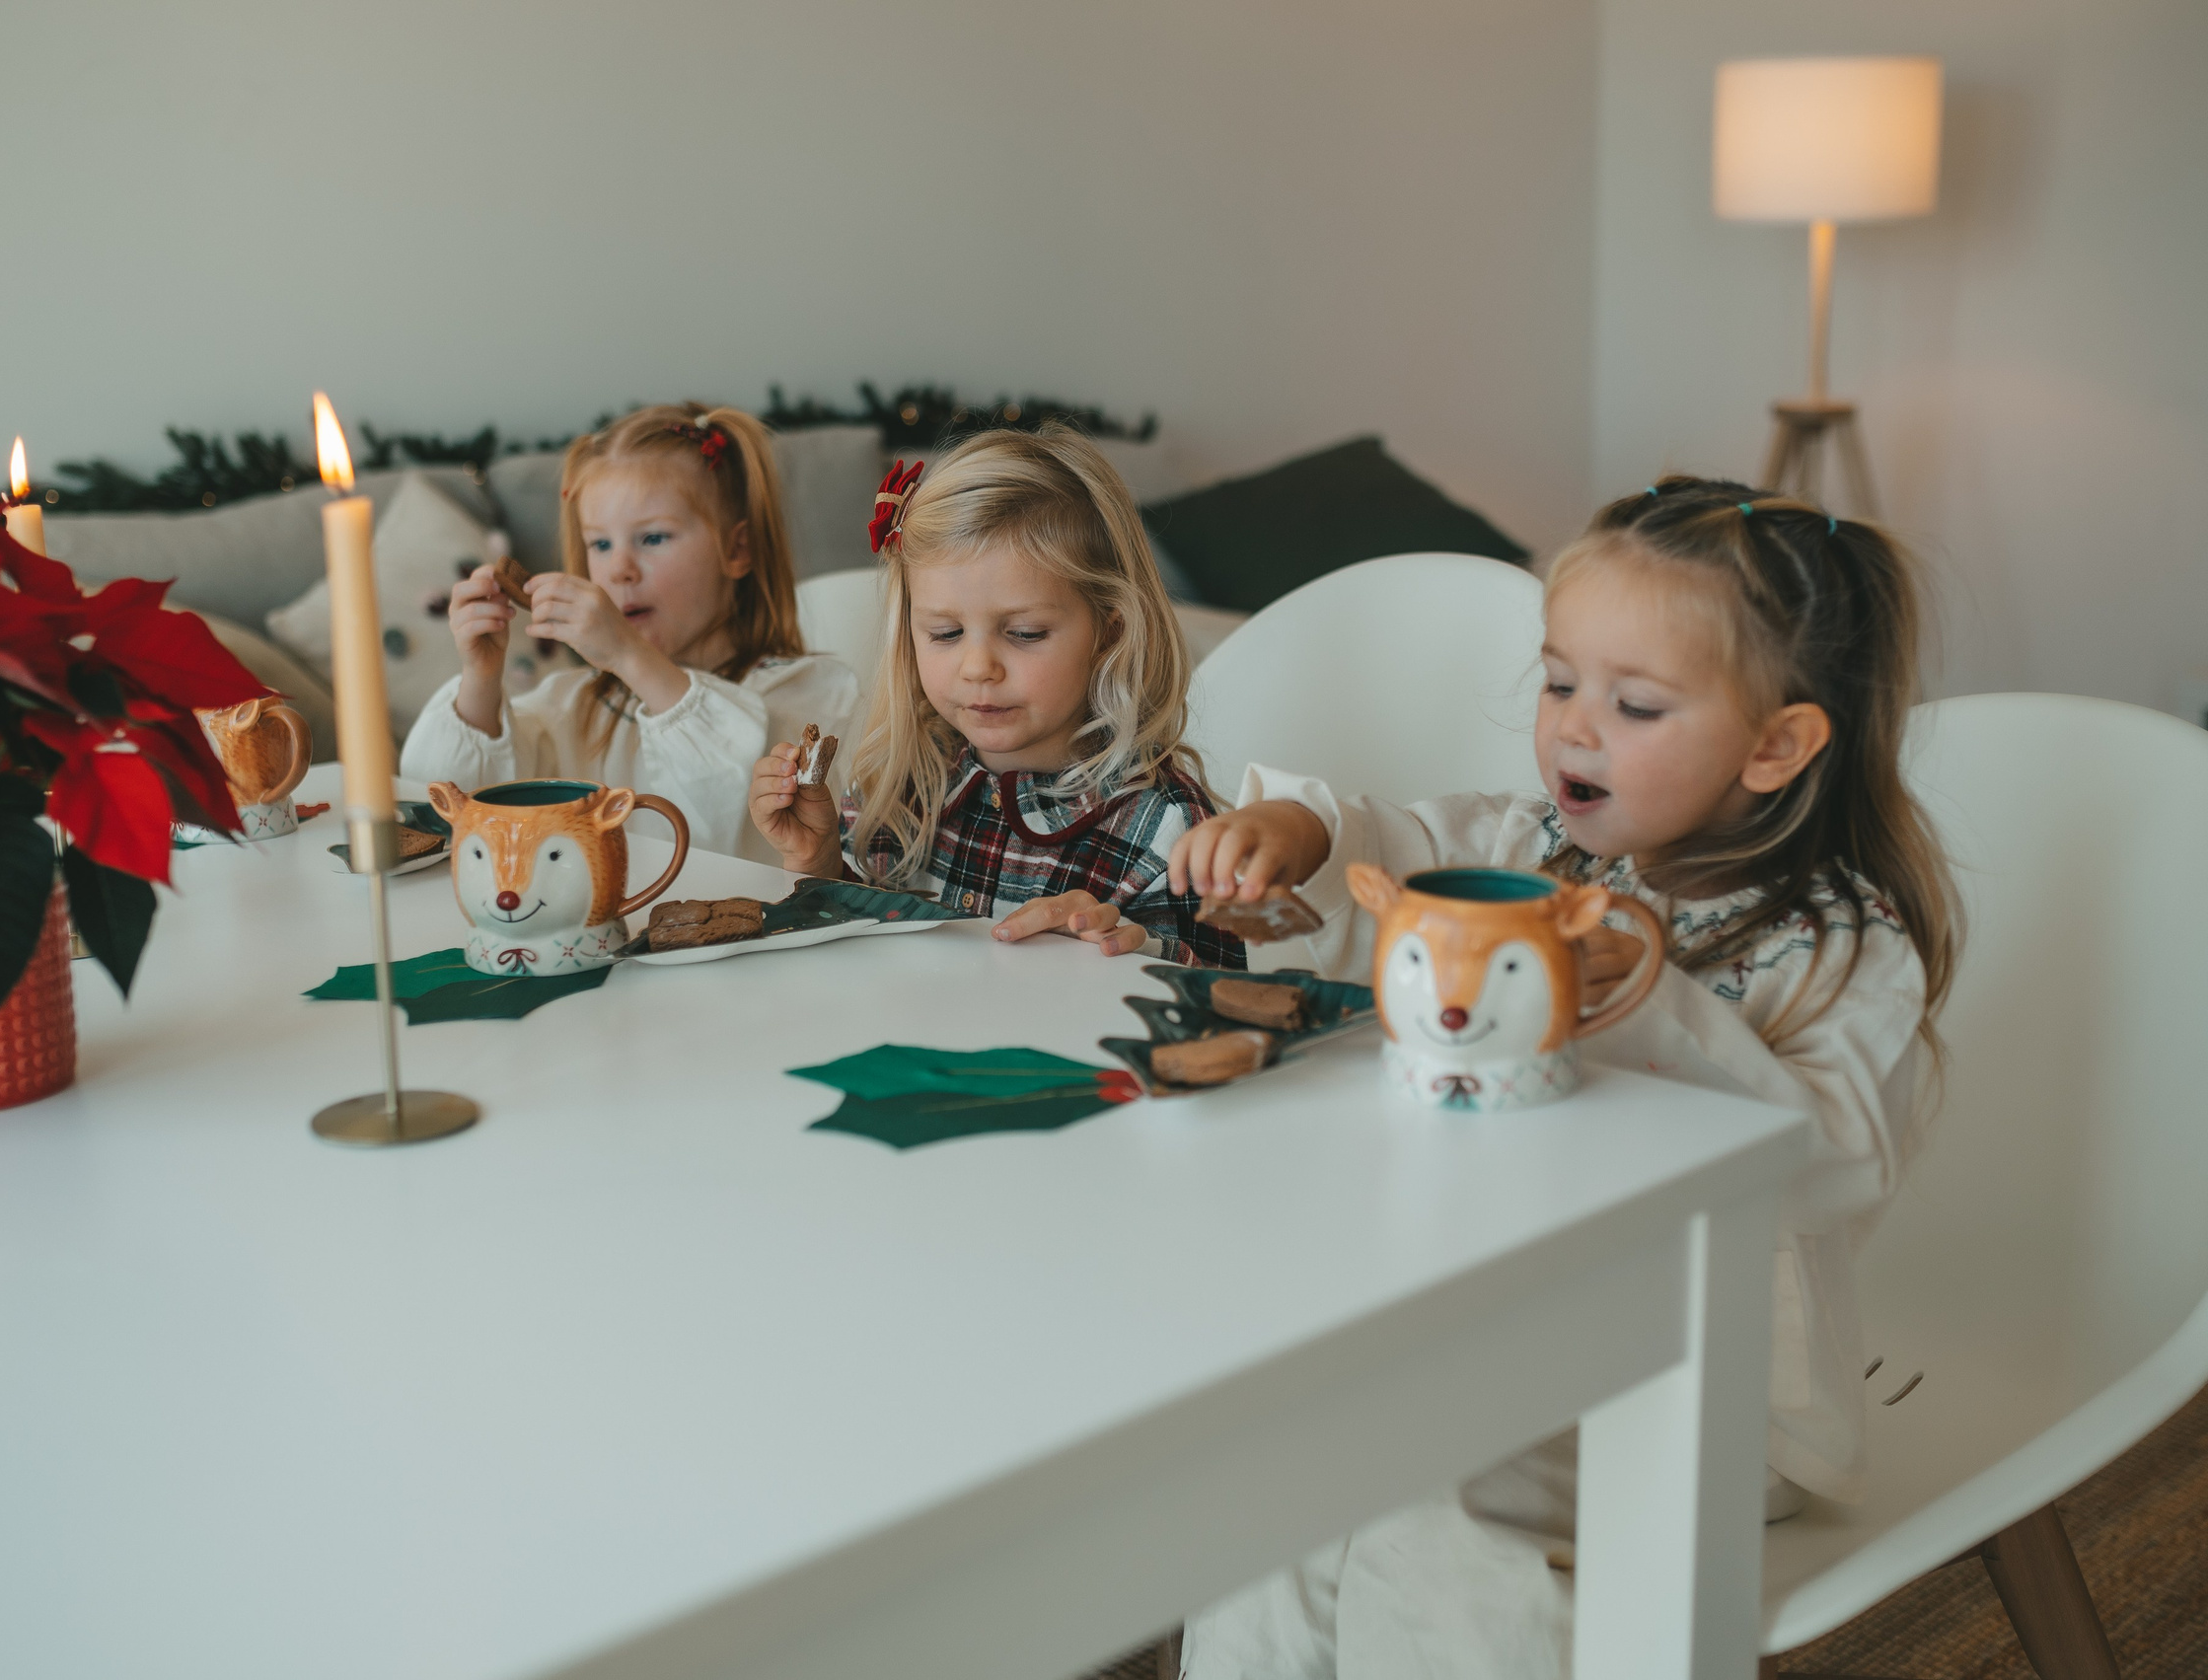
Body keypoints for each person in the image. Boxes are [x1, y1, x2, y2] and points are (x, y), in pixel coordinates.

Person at [1169, 475, 1959, 1678]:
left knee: (1417, 1510)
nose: (1573, 729)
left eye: (1634, 703)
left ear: (1776, 744)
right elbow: (1393, 842)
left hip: (1707, 1380)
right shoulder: (1530, 845)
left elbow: (1838, 1154)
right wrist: (1303, 835)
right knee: (1285, 1462)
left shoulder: (1842, 941)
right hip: (1498, 1318)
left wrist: (1653, 995)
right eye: (1555, 682)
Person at [749, 427, 1241, 967]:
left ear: (1110, 633)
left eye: (1025, 633)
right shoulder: (897, 784)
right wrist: (819, 862)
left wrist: (1132, 949)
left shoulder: (1167, 826)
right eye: (945, 634)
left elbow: (1222, 999)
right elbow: (855, 956)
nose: (978, 667)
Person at [400, 403, 856, 867]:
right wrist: (480, 675)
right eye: (600, 544)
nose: (620, 569)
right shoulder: (570, 706)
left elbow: (737, 795)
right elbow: (446, 805)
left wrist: (629, 653)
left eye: (653, 538)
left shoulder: (808, 694)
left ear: (737, 549)